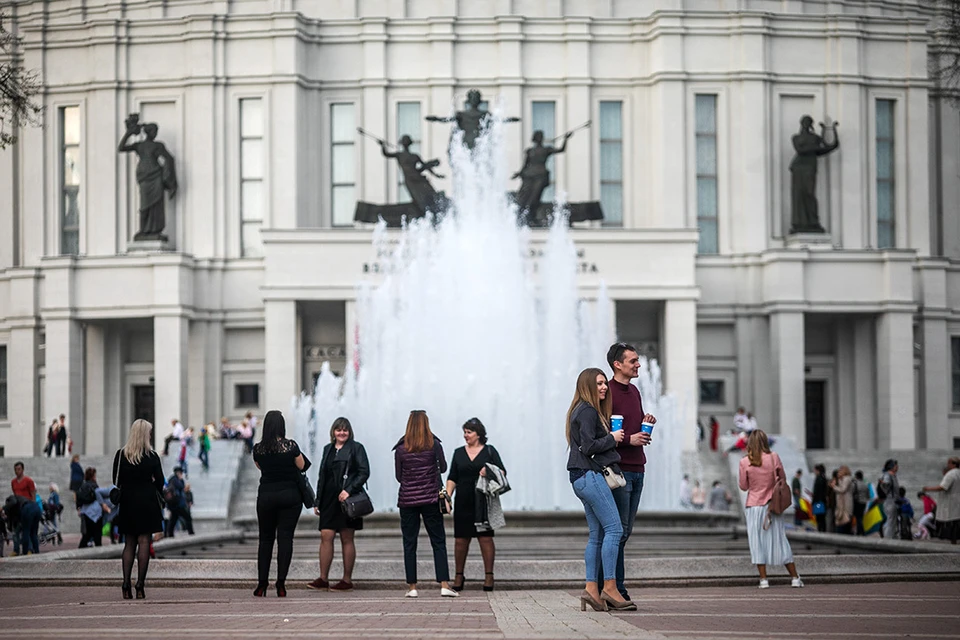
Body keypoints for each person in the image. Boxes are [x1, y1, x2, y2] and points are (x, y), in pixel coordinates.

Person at [566, 367, 635, 612]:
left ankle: (591, 591)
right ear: (586, 386)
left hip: (580, 477)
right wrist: (613, 438)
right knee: (614, 530)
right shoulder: (587, 410)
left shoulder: (582, 410)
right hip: (589, 474)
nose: (604, 387)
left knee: (597, 535)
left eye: (605, 383)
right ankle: (610, 587)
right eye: (598, 383)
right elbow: (588, 446)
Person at [605, 342, 654, 601]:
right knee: (618, 531)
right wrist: (628, 440)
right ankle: (615, 589)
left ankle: (610, 586)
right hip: (618, 470)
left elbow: (633, 425)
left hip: (638, 468)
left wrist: (646, 424)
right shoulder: (606, 391)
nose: (638, 365)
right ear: (618, 364)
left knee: (624, 531)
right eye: (633, 361)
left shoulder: (634, 391)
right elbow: (601, 432)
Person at [393, 410, 458, 599]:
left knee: (409, 543)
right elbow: (444, 468)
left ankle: (412, 587)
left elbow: (399, 476)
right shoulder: (434, 445)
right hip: (430, 499)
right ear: (426, 424)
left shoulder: (400, 448)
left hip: (407, 501)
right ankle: (444, 584)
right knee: (438, 541)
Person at [309, 417, 370, 592]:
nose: (342, 433)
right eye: (338, 430)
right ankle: (323, 578)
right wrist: (317, 500)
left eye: (345, 430)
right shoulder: (328, 449)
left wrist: (349, 490)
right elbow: (322, 476)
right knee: (325, 536)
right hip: (329, 500)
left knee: (347, 538)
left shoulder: (356, 448)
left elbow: (364, 472)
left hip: (347, 500)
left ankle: (347, 580)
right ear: (333, 432)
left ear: (349, 432)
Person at [445, 417, 506, 593]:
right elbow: (452, 477)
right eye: (464, 432)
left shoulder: (489, 451)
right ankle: (458, 575)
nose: (466, 435)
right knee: (460, 540)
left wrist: (489, 470)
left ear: (478, 434)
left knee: (485, 538)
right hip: (463, 500)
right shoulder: (458, 453)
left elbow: (502, 471)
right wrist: (447, 498)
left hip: (483, 501)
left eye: (469, 432)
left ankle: (489, 575)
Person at [252, 410, 308, 598]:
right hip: (290, 497)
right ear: (281, 426)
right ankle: (281, 584)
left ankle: (261, 584)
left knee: (265, 540)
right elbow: (302, 466)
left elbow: (260, 467)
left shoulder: (258, 449)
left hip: (266, 496)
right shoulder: (290, 446)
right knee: (285, 539)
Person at [738, 429, 803, 589]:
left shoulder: (744, 462)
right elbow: (783, 479)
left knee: (757, 542)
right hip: (771, 506)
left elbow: (744, 486)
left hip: (753, 507)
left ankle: (763, 580)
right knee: (780, 540)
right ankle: (794, 577)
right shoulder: (774, 458)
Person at [113, 419, 165, 599]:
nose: (150, 435)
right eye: (149, 432)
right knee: (144, 542)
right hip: (147, 502)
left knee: (129, 543)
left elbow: (116, 481)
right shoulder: (152, 457)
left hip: (128, 501)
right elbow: (160, 482)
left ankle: (125, 583)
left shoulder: (121, 455)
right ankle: (140, 585)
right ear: (145, 435)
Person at [511, 130, 571, 219]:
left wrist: (566, 139)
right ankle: (523, 215)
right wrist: (519, 173)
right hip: (529, 176)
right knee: (524, 196)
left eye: (540, 137)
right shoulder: (530, 151)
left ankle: (532, 216)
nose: (539, 139)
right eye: (538, 137)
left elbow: (561, 150)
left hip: (540, 176)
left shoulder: (546, 149)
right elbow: (525, 165)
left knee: (535, 197)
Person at [922, 457, 959, 545]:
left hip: (950, 503)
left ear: (953, 464)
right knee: (957, 523)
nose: (947, 465)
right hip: (957, 502)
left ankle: (953, 542)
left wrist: (928, 488)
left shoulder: (951, 474)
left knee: (951, 524)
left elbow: (942, 487)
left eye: (949, 463)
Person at [77, 467, 112, 548]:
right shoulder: (94, 485)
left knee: (87, 535)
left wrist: (78, 508)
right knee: (97, 535)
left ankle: (80, 550)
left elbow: (79, 499)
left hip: (85, 512)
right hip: (95, 513)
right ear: (93, 476)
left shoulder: (83, 485)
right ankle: (98, 552)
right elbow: (99, 495)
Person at [163, 467, 193, 537]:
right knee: (187, 517)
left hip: (173, 504)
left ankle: (170, 534)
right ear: (178, 473)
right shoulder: (176, 480)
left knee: (174, 518)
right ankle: (191, 532)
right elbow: (181, 487)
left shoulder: (171, 479)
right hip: (178, 504)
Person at [878, 459, 901, 540]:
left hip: (892, 501)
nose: (897, 467)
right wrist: (884, 483)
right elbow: (886, 483)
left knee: (893, 521)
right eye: (895, 466)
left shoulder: (893, 475)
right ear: (891, 467)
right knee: (890, 521)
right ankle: (888, 538)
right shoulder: (888, 475)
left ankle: (892, 537)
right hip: (890, 501)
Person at [829, 466, 854, 535]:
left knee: (845, 522)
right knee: (843, 521)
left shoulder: (847, 479)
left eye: (840, 471)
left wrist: (834, 486)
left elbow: (842, 489)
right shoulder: (842, 479)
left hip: (845, 504)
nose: (838, 473)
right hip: (842, 504)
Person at [853, 470, 870, 536]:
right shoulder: (865, 484)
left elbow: (853, 493)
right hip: (864, 503)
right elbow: (868, 495)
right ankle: (859, 531)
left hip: (858, 502)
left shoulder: (855, 483)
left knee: (858, 518)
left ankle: (861, 531)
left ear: (856, 476)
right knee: (861, 517)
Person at [812, 464, 827, 533]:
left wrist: (814, 500)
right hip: (822, 500)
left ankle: (821, 530)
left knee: (819, 517)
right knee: (822, 517)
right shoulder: (823, 478)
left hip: (818, 501)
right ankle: (822, 529)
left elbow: (818, 491)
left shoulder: (819, 478)